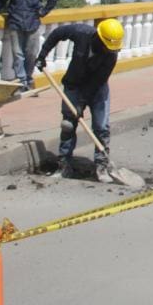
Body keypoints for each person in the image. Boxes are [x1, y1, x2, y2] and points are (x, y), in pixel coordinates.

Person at [36, 18, 125, 182]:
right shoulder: (81, 32)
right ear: (99, 37)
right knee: (68, 125)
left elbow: (96, 82)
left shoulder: (111, 56)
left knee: (101, 127)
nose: (108, 50)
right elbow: (57, 33)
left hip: (97, 89)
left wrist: (80, 104)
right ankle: (64, 165)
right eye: (106, 45)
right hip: (73, 85)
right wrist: (42, 55)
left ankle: (102, 165)